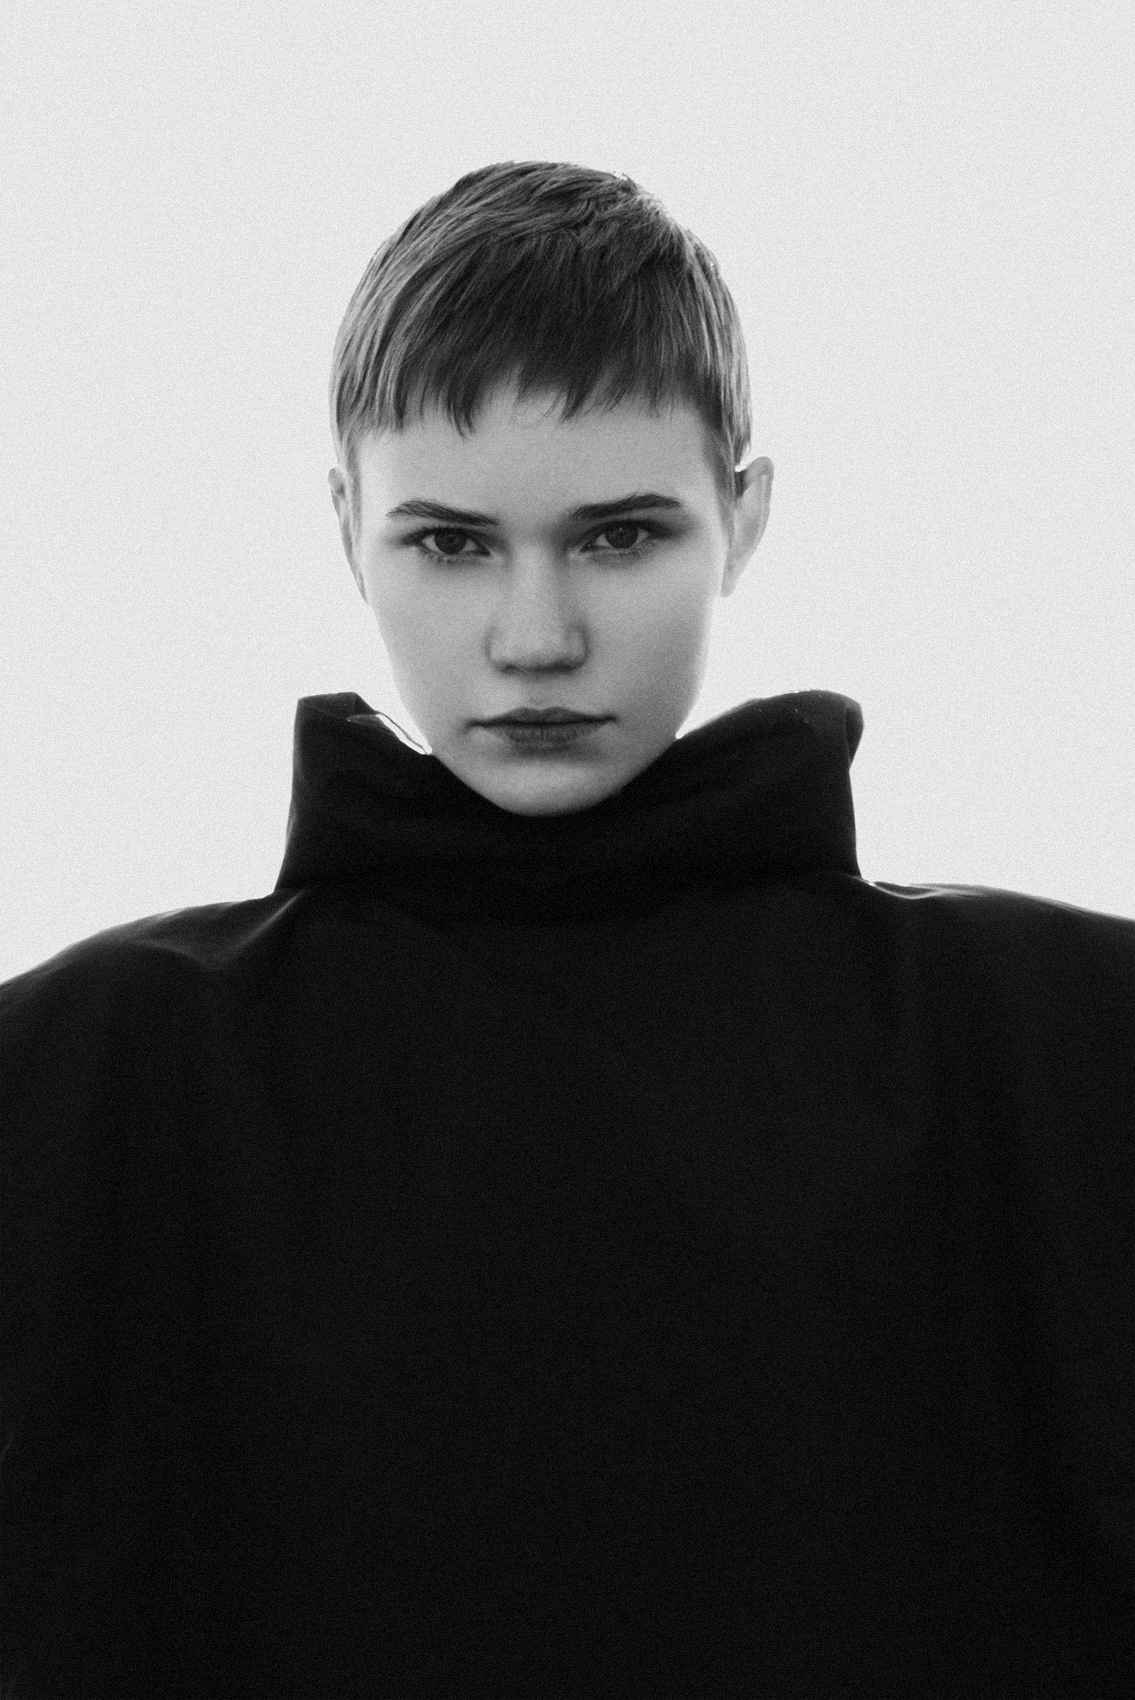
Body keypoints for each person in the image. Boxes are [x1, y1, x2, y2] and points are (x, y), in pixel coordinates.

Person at [1, 160, 1130, 1699]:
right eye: (451, 543)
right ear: (346, 525)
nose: (535, 640)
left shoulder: (1060, 1052)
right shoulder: (87, 1080)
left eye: (618, 535)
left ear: (743, 517)